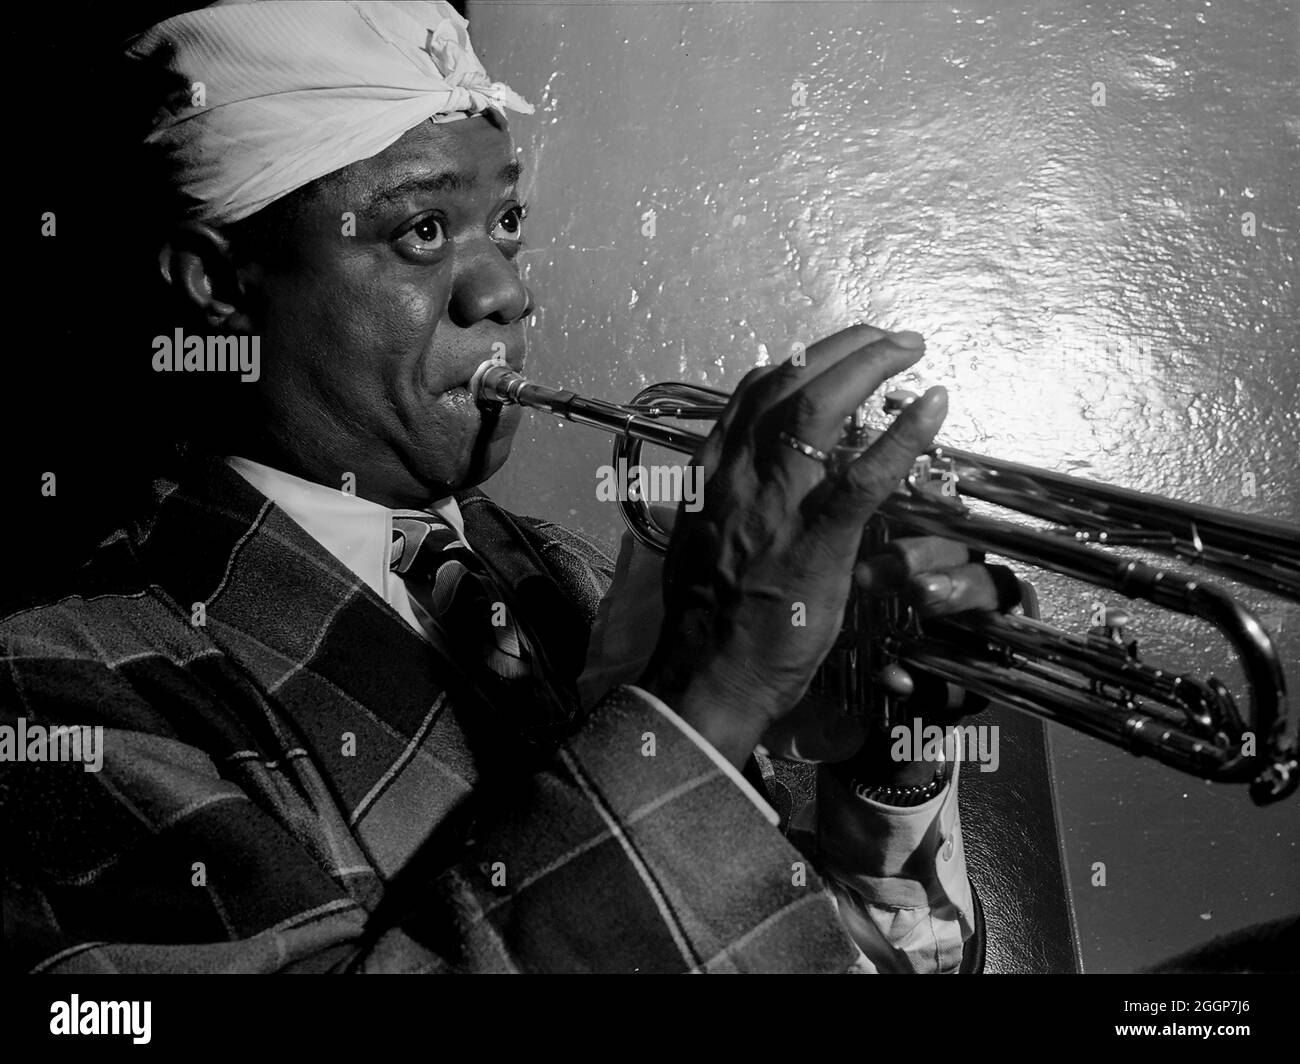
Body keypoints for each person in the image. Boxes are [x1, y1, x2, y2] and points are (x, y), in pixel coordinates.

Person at [0, 0, 1018, 973]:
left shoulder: (566, 577)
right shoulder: (63, 688)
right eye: (422, 232)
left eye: (507, 220)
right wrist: (713, 692)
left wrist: (891, 756)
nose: (505, 290)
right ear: (215, 287)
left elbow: (840, 950)